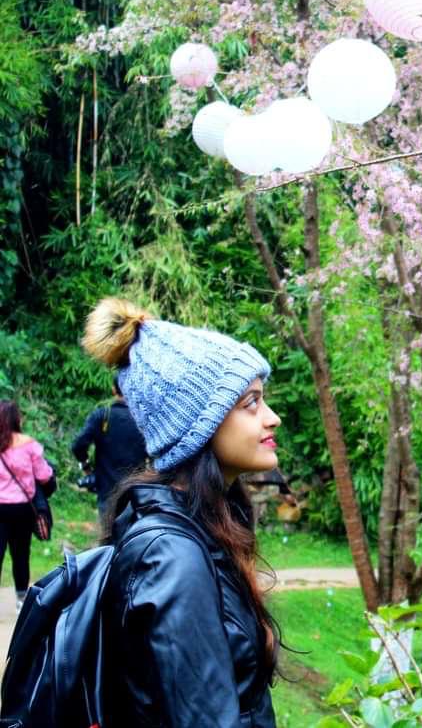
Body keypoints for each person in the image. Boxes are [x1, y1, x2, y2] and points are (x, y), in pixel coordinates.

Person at [82, 296, 281, 727]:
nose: (272, 418)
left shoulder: (203, 528)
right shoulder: (172, 556)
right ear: (199, 424)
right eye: (251, 402)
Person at [0, 400, 54, 612]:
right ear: (17, 419)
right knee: (20, 554)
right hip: (23, 509)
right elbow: (44, 475)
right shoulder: (29, 444)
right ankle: (21, 600)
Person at [70, 378, 147, 514]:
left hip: (107, 490)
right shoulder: (142, 419)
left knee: (108, 531)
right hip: (136, 490)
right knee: (132, 531)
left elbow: (78, 445)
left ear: (113, 389)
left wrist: (86, 466)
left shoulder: (102, 415)